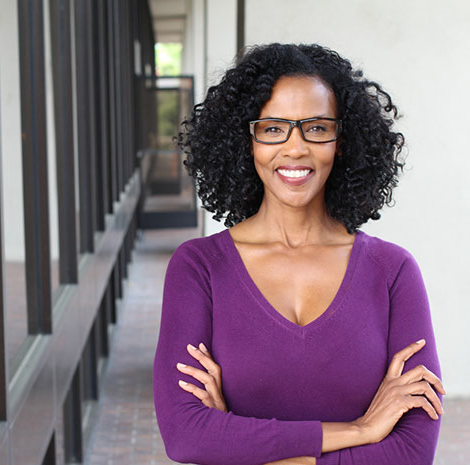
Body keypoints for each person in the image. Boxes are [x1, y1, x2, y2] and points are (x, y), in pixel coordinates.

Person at [152, 43, 444, 465]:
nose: (294, 149)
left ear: (341, 141)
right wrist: (360, 431)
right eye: (273, 129)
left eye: (317, 128)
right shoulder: (199, 268)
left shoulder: (393, 272)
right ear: (247, 140)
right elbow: (185, 436)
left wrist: (238, 442)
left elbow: (412, 452)